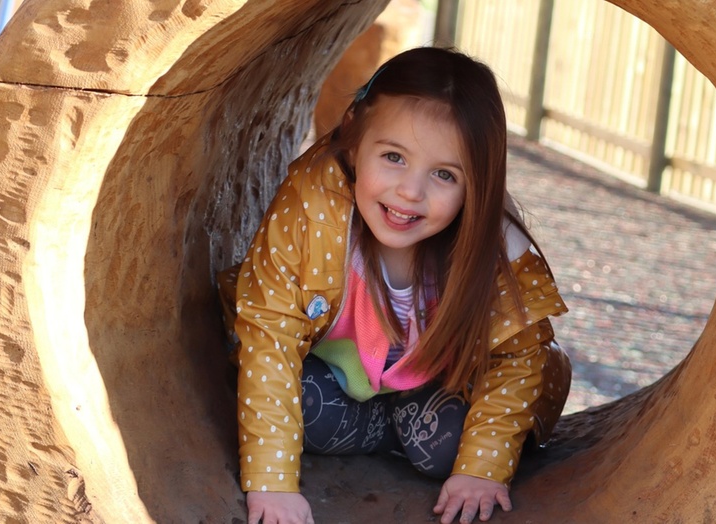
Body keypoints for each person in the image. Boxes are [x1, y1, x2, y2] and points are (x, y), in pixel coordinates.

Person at [218, 46, 572, 524]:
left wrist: (483, 470)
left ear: (477, 185)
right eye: (393, 157)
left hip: (434, 382)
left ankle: (404, 428)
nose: (411, 192)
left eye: (445, 175)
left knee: (453, 450)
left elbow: (517, 358)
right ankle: (390, 430)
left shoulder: (496, 251)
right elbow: (270, 335)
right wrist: (272, 483)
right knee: (299, 405)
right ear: (351, 136)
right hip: (336, 376)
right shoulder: (311, 211)